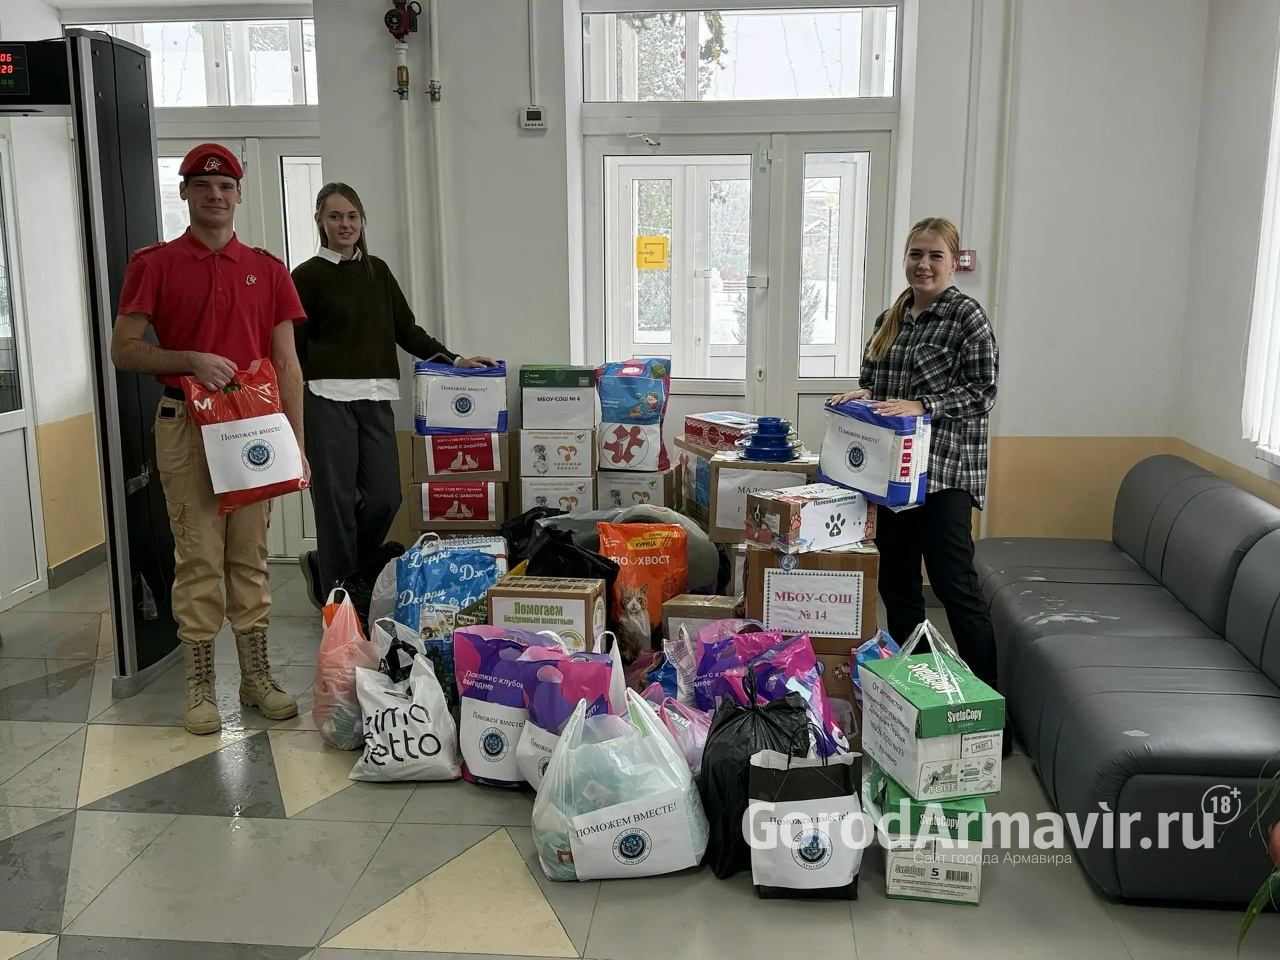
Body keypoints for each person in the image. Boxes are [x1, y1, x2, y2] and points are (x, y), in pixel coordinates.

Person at [111, 142, 306, 736]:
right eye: (203, 186)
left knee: (249, 557)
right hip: (186, 428)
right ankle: (199, 683)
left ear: (239, 195)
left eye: (225, 187)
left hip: (253, 430)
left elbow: (287, 364)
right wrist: (187, 358)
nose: (215, 196)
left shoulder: (268, 269)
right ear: (186, 194)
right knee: (197, 556)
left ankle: (255, 677)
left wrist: (296, 444)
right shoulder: (155, 265)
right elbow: (124, 349)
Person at [290, 182, 494, 610]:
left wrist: (453, 359)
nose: (344, 224)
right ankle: (340, 599)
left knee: (386, 496)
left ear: (362, 221)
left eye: (352, 216)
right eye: (335, 216)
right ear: (320, 222)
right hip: (325, 400)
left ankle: (348, 573)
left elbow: (406, 331)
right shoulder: (306, 276)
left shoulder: (377, 272)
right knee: (336, 500)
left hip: (376, 397)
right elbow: (292, 346)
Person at [831, 216, 1000, 695]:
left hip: (946, 475)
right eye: (915, 255)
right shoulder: (892, 317)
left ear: (952, 263)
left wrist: (925, 405)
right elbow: (878, 385)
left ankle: (990, 704)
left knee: (954, 588)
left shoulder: (967, 317)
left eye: (935, 256)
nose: (923, 265)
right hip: (894, 479)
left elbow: (982, 392)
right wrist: (859, 397)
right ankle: (921, 690)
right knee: (898, 589)